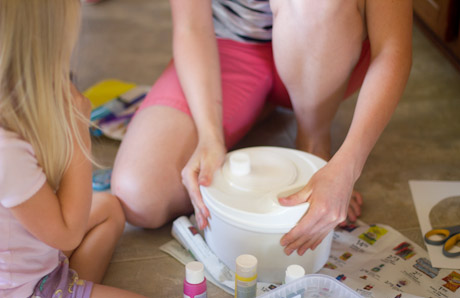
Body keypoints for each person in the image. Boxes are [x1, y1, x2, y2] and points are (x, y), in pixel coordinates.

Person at [112, 0, 413, 256]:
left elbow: (393, 47)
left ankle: (313, 144)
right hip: (228, 49)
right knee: (139, 195)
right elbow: (192, 26)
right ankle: (259, 103)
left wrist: (346, 166)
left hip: (325, 47)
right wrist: (209, 135)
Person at [0, 1, 172, 298]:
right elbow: (67, 234)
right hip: (20, 295)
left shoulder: (15, 103)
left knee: (108, 209)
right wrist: (78, 129)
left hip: (29, 258)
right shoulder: (6, 148)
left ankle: (70, 293)